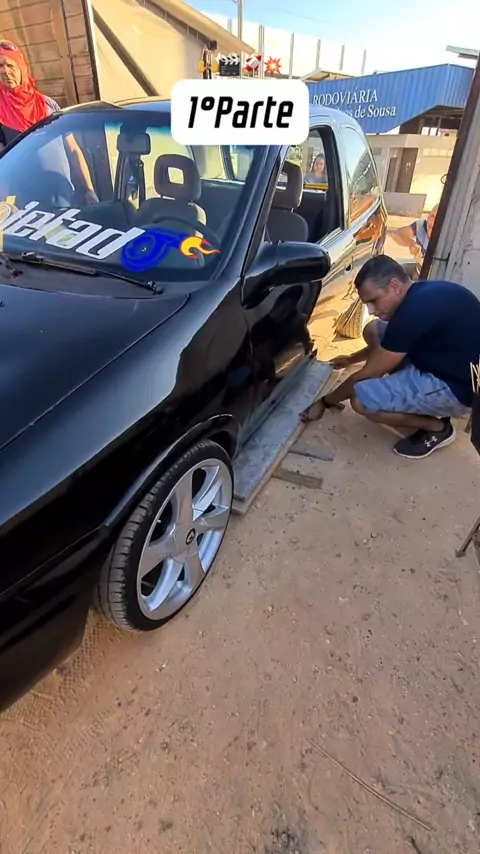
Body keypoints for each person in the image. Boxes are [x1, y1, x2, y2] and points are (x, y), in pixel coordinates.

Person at [300, 255, 480, 459]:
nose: (371, 310)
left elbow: (365, 375)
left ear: (394, 286)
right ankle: (413, 398)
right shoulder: (422, 294)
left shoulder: (411, 314)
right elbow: (389, 347)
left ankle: (438, 428)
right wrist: (351, 359)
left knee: (361, 398)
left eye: (374, 301)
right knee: (373, 329)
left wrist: (324, 402)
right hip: (452, 363)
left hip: (457, 389)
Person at [0, 40, 97, 206]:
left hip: (63, 196)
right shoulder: (2, 114)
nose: (5, 71)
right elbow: (2, 165)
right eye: (0, 66)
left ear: (21, 67)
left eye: (10, 65)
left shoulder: (47, 104)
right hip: (27, 207)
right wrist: (5, 206)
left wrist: (89, 189)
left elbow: (73, 150)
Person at [391, 204, 438, 277]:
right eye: (432, 216)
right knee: (392, 272)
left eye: (438, 219)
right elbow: (397, 234)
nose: (434, 222)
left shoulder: (443, 241)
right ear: (428, 216)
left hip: (432, 278)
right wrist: (411, 243)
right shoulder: (421, 226)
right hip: (417, 270)